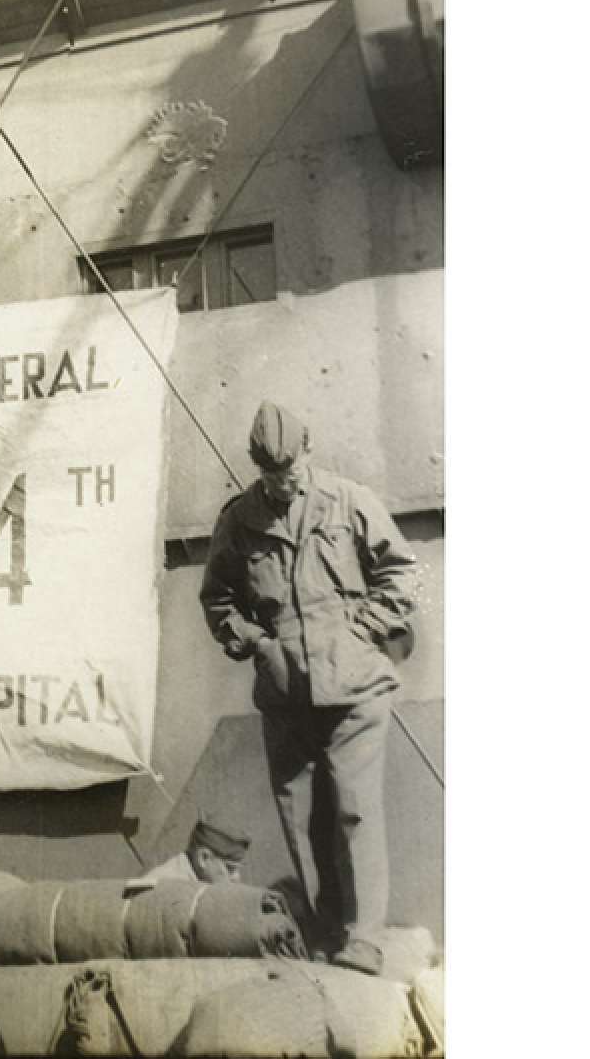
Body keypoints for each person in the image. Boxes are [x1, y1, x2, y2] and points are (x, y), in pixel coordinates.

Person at [199, 401, 417, 974]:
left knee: (354, 810)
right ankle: (325, 932)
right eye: (271, 472)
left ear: (307, 451)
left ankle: (364, 936)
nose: (282, 481)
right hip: (286, 692)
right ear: (258, 467)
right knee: (300, 817)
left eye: (289, 468)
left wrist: (361, 628)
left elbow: (403, 572)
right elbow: (218, 600)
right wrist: (257, 644)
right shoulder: (240, 520)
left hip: (356, 688)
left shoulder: (348, 501)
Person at [131, 816, 250, 885]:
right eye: (230, 868)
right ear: (203, 858)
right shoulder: (166, 885)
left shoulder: (197, 878)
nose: (236, 877)